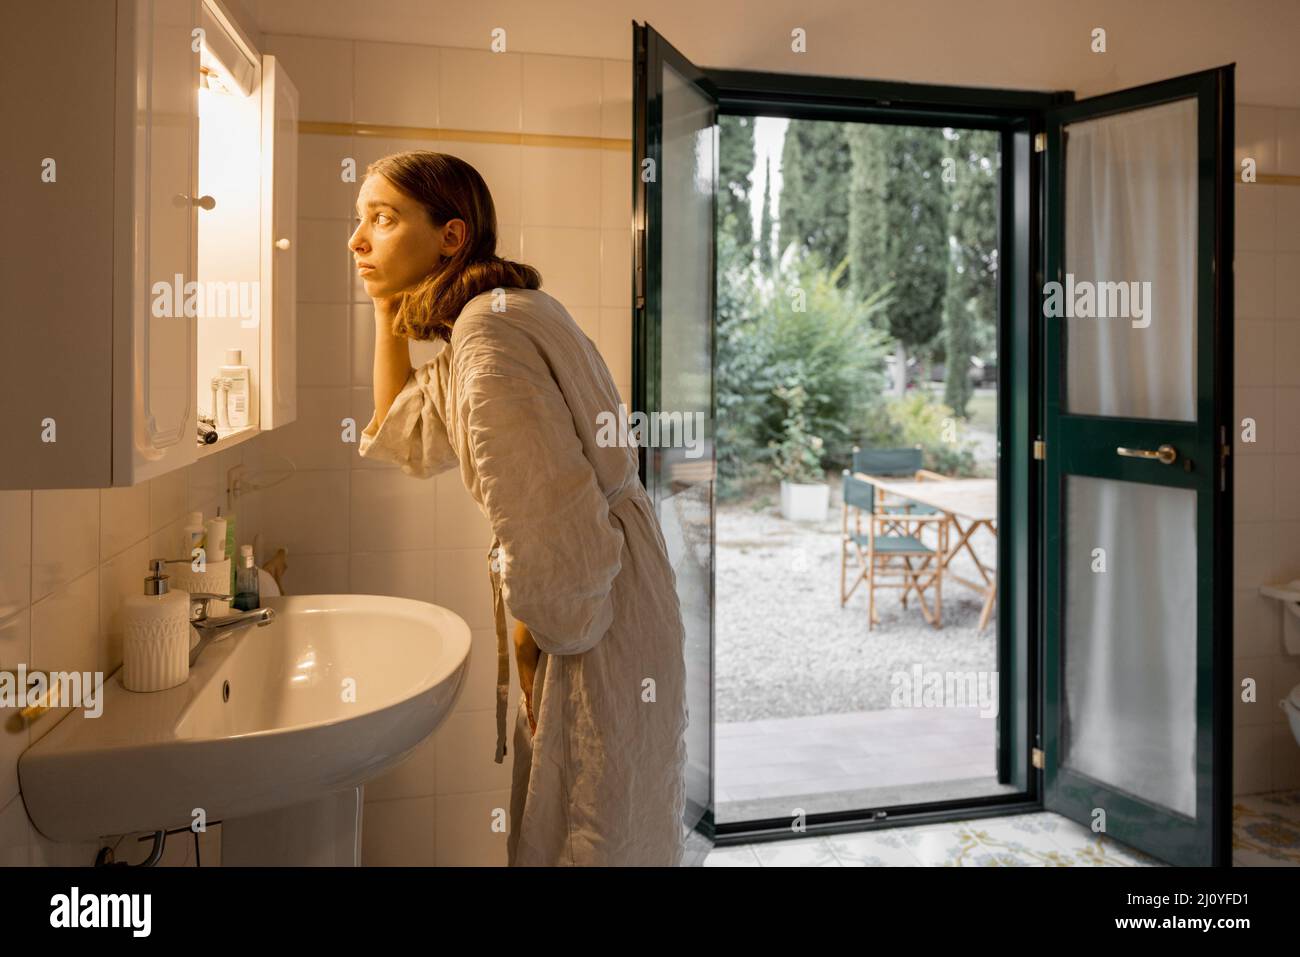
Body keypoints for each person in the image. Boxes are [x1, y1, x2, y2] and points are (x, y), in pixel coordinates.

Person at [349, 150, 688, 866]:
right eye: (361, 222)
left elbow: (548, 525)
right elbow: (410, 431)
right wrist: (385, 312)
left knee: (587, 832)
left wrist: (532, 643)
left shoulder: (488, 334)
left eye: (382, 219)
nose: (358, 241)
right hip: (621, 589)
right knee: (616, 817)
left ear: (451, 235)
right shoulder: (499, 313)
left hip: (596, 610)